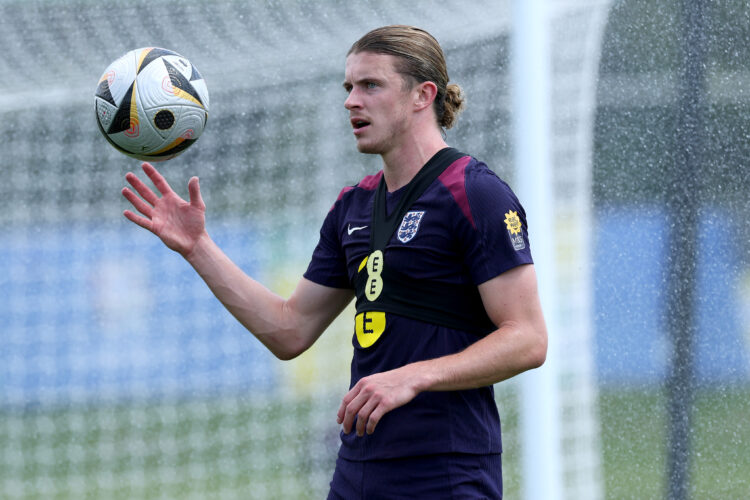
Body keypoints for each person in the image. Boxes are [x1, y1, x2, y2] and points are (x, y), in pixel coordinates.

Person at [122, 25, 547, 499]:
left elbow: (527, 339)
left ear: (422, 95)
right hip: (358, 469)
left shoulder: (475, 193)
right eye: (349, 87)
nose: (351, 101)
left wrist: (415, 376)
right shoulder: (354, 206)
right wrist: (198, 247)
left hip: (445, 471)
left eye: (371, 85)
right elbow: (289, 330)